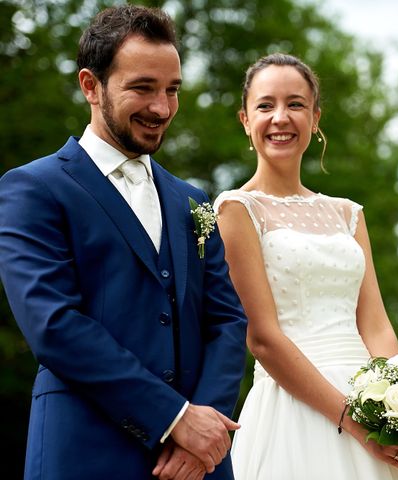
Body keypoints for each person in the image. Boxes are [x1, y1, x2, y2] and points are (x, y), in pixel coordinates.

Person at [0, 5, 247, 480]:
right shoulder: (34, 188)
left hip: (198, 466)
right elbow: (54, 325)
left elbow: (228, 321)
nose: (162, 108)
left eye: (172, 90)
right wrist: (174, 419)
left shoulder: (192, 200)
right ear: (91, 86)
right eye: (142, 88)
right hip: (85, 454)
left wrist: (204, 435)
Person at [213, 53, 398, 479]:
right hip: (296, 408)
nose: (281, 118)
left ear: (315, 117)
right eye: (266, 105)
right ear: (245, 119)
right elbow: (263, 339)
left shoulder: (348, 214)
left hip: (371, 394)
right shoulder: (237, 209)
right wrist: (353, 423)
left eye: (296, 104)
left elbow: (377, 324)